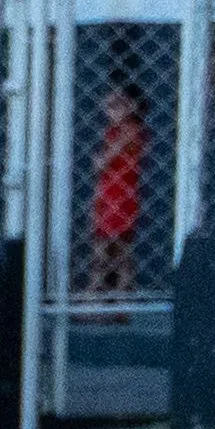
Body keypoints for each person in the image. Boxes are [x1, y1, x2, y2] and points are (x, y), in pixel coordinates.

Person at [87, 82, 147, 298]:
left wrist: (99, 160)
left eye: (117, 105)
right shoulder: (114, 131)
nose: (110, 111)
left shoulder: (130, 130)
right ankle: (116, 297)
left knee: (107, 250)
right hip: (111, 194)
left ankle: (98, 296)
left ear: (131, 106)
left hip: (120, 197)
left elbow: (102, 162)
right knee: (115, 250)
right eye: (109, 105)